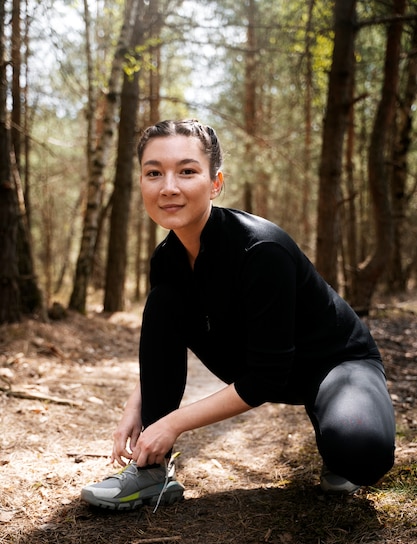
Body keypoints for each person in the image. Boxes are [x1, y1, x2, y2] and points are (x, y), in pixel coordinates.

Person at [81, 119, 396, 511]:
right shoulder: (167, 260)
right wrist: (140, 409)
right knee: (163, 301)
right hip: (263, 366)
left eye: (187, 171)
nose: (169, 187)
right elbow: (165, 342)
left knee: (360, 453)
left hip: (336, 363)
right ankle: (151, 473)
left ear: (215, 183)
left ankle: (337, 417)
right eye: (153, 173)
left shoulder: (262, 249)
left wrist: (171, 423)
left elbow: (265, 377)